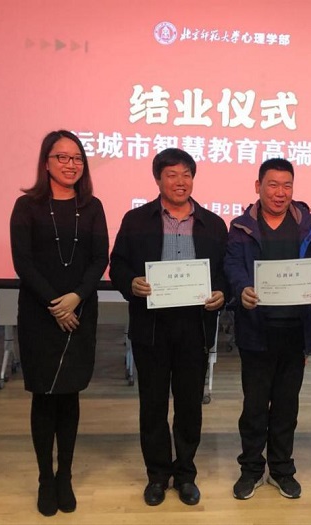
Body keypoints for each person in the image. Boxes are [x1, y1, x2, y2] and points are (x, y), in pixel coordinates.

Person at [109, 148, 227, 507]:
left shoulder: (212, 224)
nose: (180, 182)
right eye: (172, 174)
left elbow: (225, 272)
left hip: (195, 327)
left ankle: (186, 473)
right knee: (153, 405)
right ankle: (158, 475)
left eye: (187, 174)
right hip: (152, 327)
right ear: (158, 179)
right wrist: (131, 283)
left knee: (190, 406)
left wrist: (223, 292)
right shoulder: (136, 220)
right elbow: (118, 265)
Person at [10, 130, 109, 517]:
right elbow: (23, 262)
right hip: (40, 313)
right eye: (62, 157)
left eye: (77, 158)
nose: (71, 164)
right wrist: (55, 303)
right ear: (46, 162)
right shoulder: (27, 206)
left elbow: (99, 258)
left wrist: (76, 298)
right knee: (44, 395)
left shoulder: (93, 206)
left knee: (69, 395)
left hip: (80, 311)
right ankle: (44, 478)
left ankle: (64, 475)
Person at [224, 158, 311, 500]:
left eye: (287, 185)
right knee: (255, 407)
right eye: (273, 185)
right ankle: (251, 469)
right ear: (258, 187)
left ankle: (282, 469)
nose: (280, 192)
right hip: (256, 331)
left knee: (287, 406)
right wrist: (241, 288)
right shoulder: (242, 227)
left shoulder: (310, 225)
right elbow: (232, 264)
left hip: (296, 331)